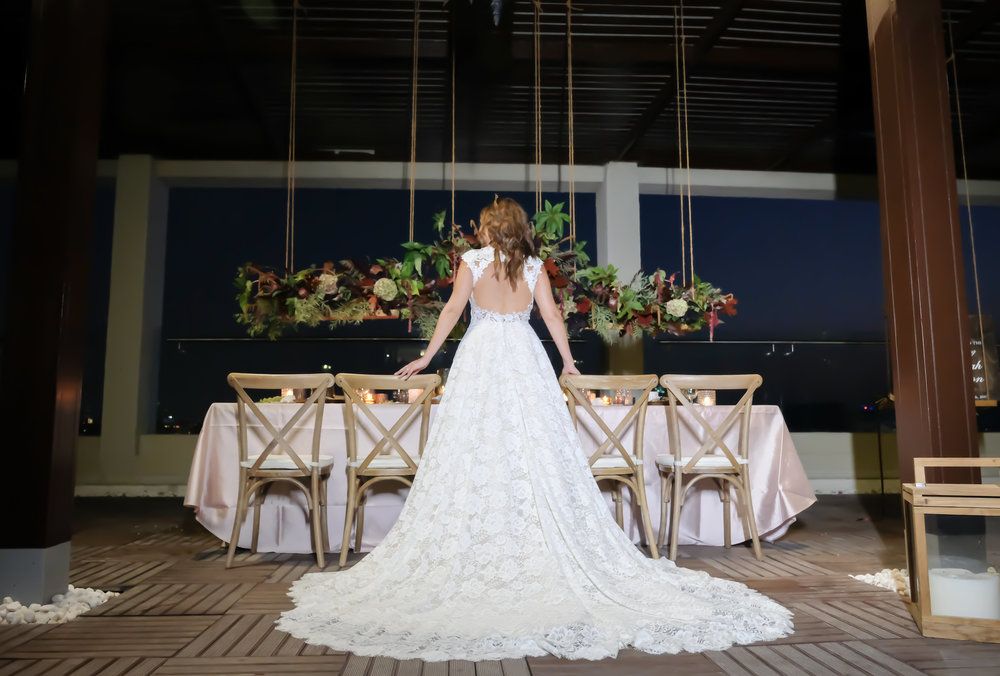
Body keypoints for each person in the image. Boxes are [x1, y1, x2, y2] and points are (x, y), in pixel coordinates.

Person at [278, 197, 792, 662]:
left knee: (475, 446)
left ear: (488, 229)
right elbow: (551, 317)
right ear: (520, 229)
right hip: (524, 357)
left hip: (481, 357)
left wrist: (428, 357)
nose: (478, 233)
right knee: (532, 446)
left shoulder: (471, 262)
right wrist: (567, 361)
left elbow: (454, 310)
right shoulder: (534, 265)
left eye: (482, 226)